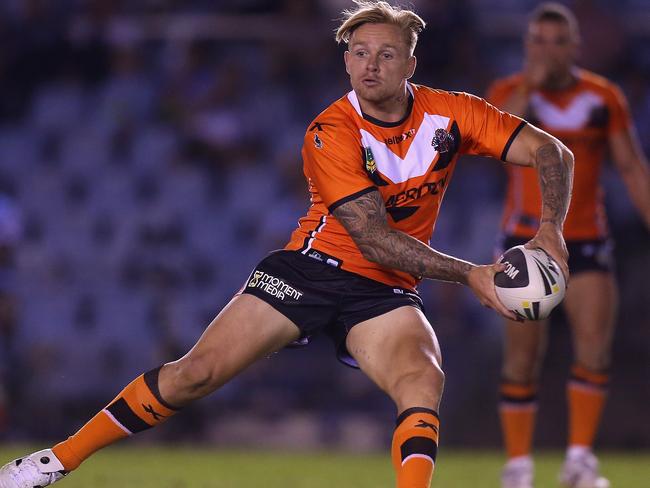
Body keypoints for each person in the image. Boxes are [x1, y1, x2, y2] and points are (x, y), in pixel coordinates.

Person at [0, 2, 574, 487]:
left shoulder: (454, 113)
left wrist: (550, 225)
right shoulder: (331, 131)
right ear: (346, 59)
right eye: (359, 53)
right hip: (310, 271)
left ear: (410, 63)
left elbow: (553, 152)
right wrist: (472, 273)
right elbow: (372, 239)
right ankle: (54, 462)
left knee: (422, 380)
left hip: (384, 292)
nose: (370, 65)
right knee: (194, 374)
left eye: (386, 53)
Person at [486, 4, 650, 488]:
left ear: (575, 47)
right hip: (524, 241)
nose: (548, 50)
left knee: (595, 350)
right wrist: (529, 87)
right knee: (521, 357)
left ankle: (579, 460)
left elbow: (631, 167)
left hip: (586, 239)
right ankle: (518, 466)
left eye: (558, 42)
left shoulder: (603, 98)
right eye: (538, 40)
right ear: (527, 46)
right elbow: (496, 148)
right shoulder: (508, 96)